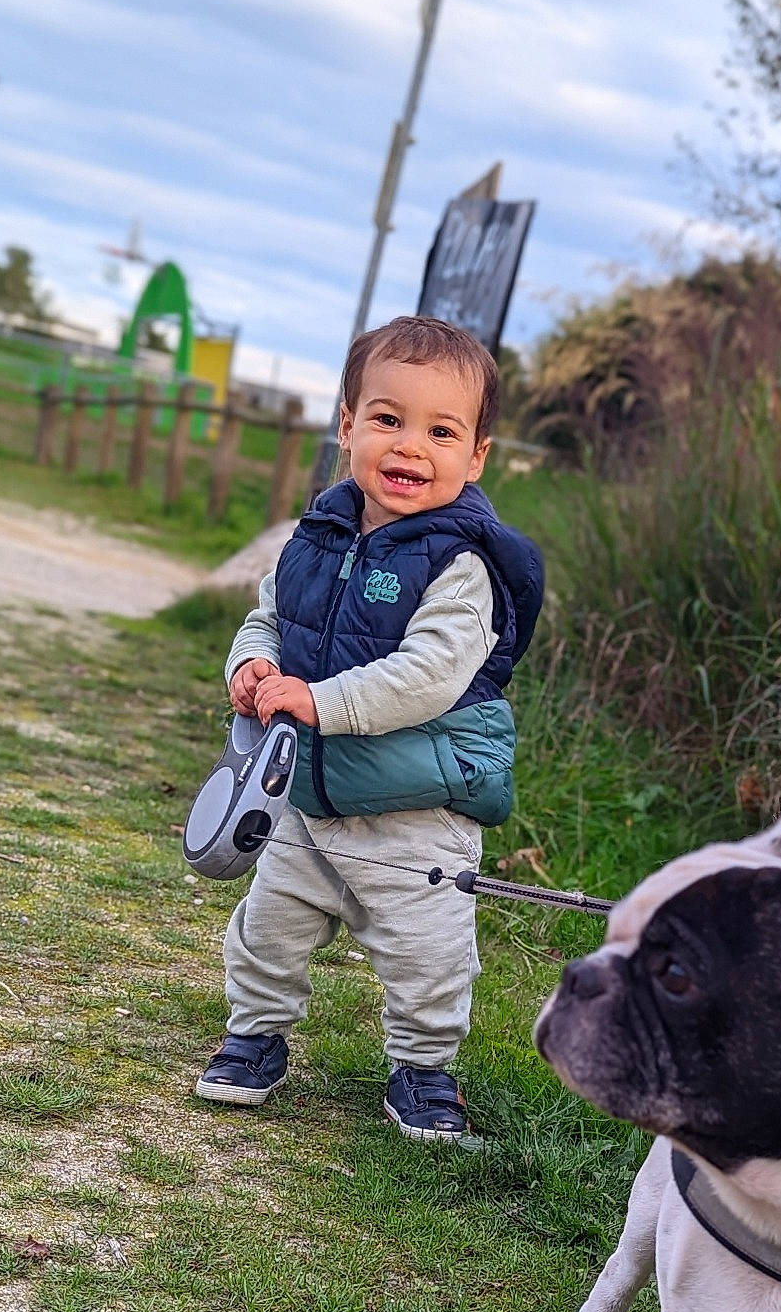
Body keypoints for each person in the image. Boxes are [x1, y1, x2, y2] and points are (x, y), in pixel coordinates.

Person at [194, 315, 543, 1141]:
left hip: (418, 804)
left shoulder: (464, 565)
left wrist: (320, 702)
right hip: (308, 796)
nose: (409, 447)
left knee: (429, 954)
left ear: (477, 455)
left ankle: (423, 1070)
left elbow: (429, 674)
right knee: (268, 924)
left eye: (442, 431)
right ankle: (255, 1034)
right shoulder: (314, 537)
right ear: (347, 426)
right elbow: (269, 620)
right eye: (387, 419)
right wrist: (250, 666)